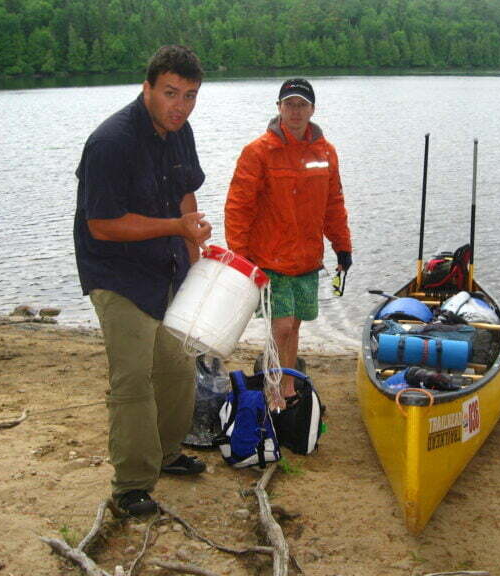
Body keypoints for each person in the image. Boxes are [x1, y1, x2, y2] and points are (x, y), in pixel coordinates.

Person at [73, 45, 211, 516]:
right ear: (147, 86)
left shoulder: (180, 131)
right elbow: (102, 224)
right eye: (171, 93)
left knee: (176, 369)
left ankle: (167, 454)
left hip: (165, 266)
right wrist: (175, 228)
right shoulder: (111, 142)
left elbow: (186, 194)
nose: (181, 105)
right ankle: (130, 485)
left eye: (190, 95)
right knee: (132, 380)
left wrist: (194, 257)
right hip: (115, 275)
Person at [225, 78, 352, 406]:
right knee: (280, 326)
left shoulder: (326, 152)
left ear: (312, 109)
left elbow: (333, 204)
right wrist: (239, 258)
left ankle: (287, 386)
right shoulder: (258, 152)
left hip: (308, 259)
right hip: (269, 258)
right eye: (289, 104)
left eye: (302, 104)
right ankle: (274, 387)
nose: (296, 111)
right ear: (279, 108)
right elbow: (238, 207)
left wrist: (343, 247)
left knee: (294, 325)